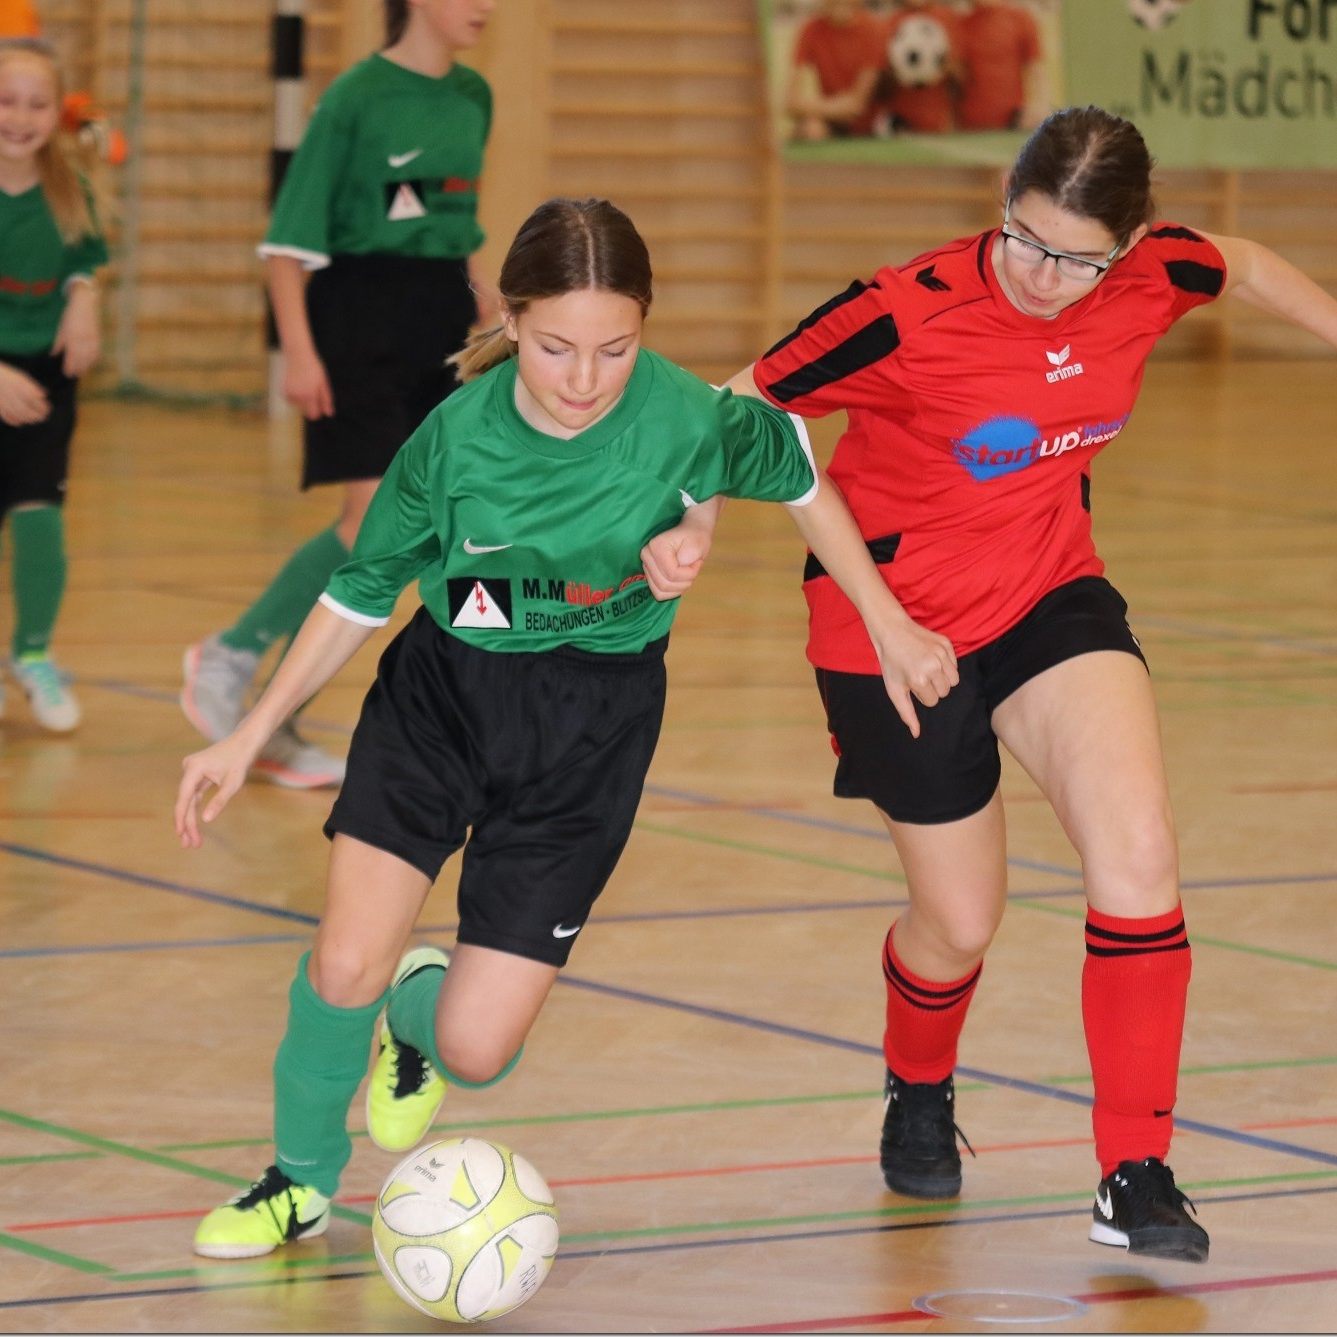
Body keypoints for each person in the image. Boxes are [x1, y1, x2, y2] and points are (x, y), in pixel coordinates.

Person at [643, 106, 1337, 1264]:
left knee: (1138, 855)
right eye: (1024, 238)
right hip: (890, 621)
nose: (1045, 274)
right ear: (1001, 208)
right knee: (959, 922)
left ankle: (1134, 1168)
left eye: (1077, 256)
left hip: (1049, 594)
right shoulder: (904, 308)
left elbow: (1245, 263)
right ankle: (917, 1083)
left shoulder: (1151, 270)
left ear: (1126, 247)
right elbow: (739, 403)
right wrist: (700, 509)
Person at [174, 196, 917, 1260]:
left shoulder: (684, 415)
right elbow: (360, 587)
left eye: (614, 348)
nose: (582, 377)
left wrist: (878, 620)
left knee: (478, 1050)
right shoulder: (452, 438)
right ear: (510, 319)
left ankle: (419, 1013)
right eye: (556, 345)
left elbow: (797, 467)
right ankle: (297, 1180)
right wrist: (247, 734)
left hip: (591, 728)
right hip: (441, 696)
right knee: (343, 963)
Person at [179, 0, 499, 789]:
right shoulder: (353, 98)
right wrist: (296, 348)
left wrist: (485, 294)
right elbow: (286, 243)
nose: (484, 7)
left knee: (403, 525)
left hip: (441, 317)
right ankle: (257, 694)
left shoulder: (475, 96)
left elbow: (451, 216)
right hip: (356, 317)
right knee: (368, 526)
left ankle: (245, 668)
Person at [0, 37, 106, 732]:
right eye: (6, 101)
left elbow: (85, 260)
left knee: (39, 521)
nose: (20, 116)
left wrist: (84, 298)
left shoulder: (72, 189)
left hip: (41, 381)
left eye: (37, 103)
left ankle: (31, 652)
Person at [786, 0, 886, 142]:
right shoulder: (811, 29)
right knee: (812, 129)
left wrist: (808, 107)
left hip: (872, 126)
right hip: (833, 120)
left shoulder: (873, 29)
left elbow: (856, 106)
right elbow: (791, 102)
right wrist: (836, 107)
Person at [955, 0, 1046, 132]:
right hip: (971, 125)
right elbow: (957, 81)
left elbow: (1036, 68)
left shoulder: (1020, 19)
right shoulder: (961, 24)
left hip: (1012, 123)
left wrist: (1039, 106)